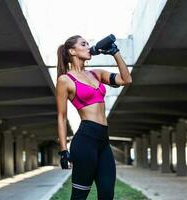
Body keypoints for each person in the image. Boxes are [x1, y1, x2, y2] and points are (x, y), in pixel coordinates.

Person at [55, 35, 132, 200]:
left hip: (103, 142)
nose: (89, 47)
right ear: (72, 51)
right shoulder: (65, 80)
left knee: (107, 194)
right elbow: (61, 116)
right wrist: (63, 150)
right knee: (79, 196)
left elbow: (126, 79)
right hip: (85, 141)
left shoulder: (96, 74)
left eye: (89, 44)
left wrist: (115, 53)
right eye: (84, 44)